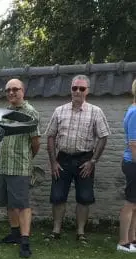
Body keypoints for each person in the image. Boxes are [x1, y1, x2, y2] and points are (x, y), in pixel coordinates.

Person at [45, 74, 110, 242]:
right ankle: (56, 231)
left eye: (82, 88)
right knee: (58, 196)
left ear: (87, 91)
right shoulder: (59, 111)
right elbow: (50, 136)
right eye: (75, 88)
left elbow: (103, 137)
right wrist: (53, 162)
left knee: (84, 197)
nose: (78, 91)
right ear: (71, 89)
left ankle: (80, 233)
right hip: (62, 160)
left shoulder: (96, 112)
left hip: (84, 160)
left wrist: (93, 161)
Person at [0, 79, 41, 258]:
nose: (11, 93)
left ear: (23, 91)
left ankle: (25, 241)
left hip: (20, 166)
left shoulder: (31, 113)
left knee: (22, 205)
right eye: (8, 90)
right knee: (9, 203)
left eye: (15, 89)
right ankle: (14, 234)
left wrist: (26, 159)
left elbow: (35, 143)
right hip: (4, 165)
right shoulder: (6, 112)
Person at [118, 78, 136, 253]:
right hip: (133, 163)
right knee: (130, 203)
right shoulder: (135, 112)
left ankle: (133, 239)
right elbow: (133, 143)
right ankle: (123, 242)